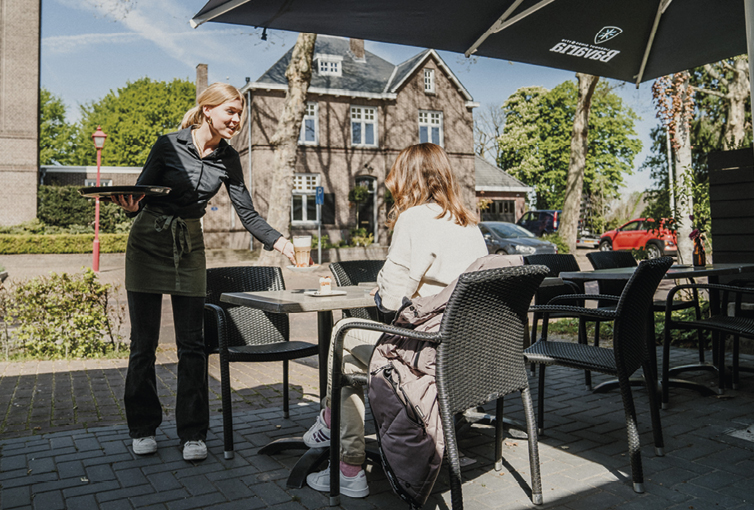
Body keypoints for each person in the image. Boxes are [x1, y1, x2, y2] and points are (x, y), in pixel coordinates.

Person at [112, 82, 296, 461]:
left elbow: (246, 211)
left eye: (240, 113)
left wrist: (281, 242)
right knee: (143, 344)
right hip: (149, 239)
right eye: (231, 111)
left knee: (193, 344)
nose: (237, 119)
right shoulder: (168, 145)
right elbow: (142, 192)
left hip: (190, 245)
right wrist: (131, 207)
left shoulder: (228, 158)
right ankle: (143, 426)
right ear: (207, 109)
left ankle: (193, 433)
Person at [302, 143, 488, 498]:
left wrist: (382, 286)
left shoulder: (413, 219)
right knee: (355, 347)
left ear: (409, 178)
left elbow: (389, 300)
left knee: (346, 343)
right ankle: (330, 424)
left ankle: (348, 464)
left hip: (427, 352)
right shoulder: (468, 223)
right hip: (467, 354)